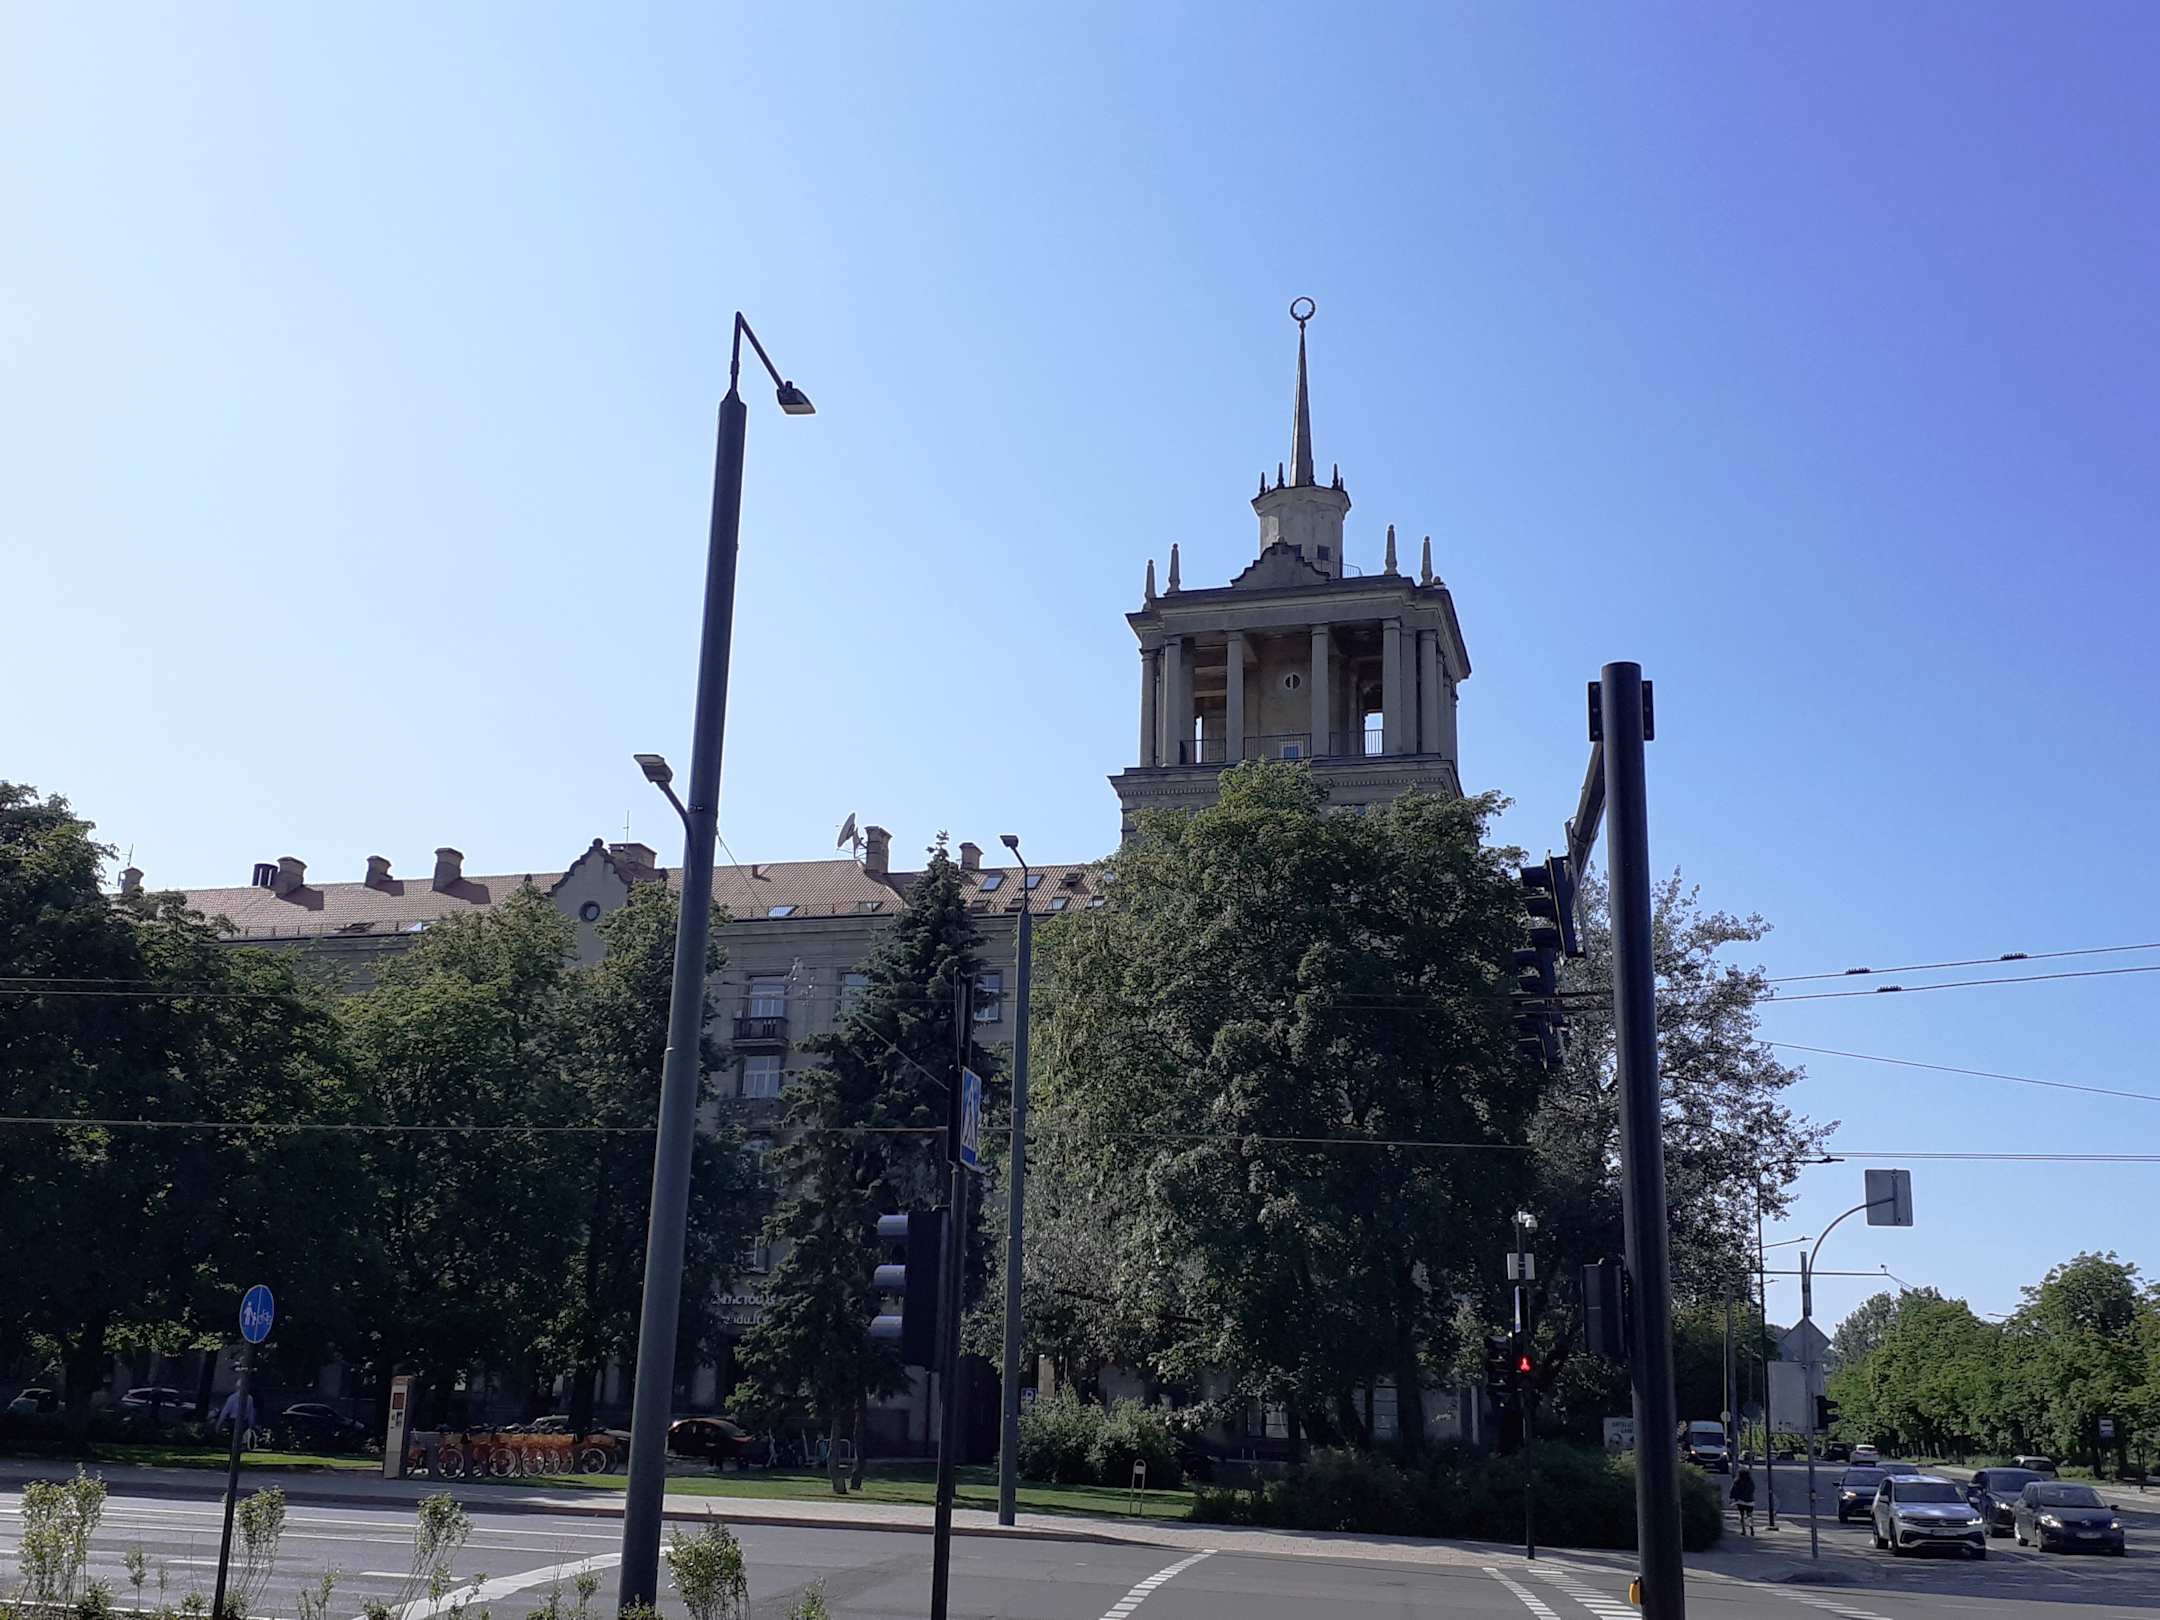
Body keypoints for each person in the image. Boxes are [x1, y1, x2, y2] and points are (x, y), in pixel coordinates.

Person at [1731, 1464, 1757, 1535]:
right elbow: (1753, 1489)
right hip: (1750, 1501)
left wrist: (1732, 1497)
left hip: (1740, 1501)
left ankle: (1743, 1530)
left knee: (1741, 1515)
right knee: (1749, 1515)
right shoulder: (1750, 1481)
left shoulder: (1737, 1481)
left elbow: (1733, 1490)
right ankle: (1751, 1527)